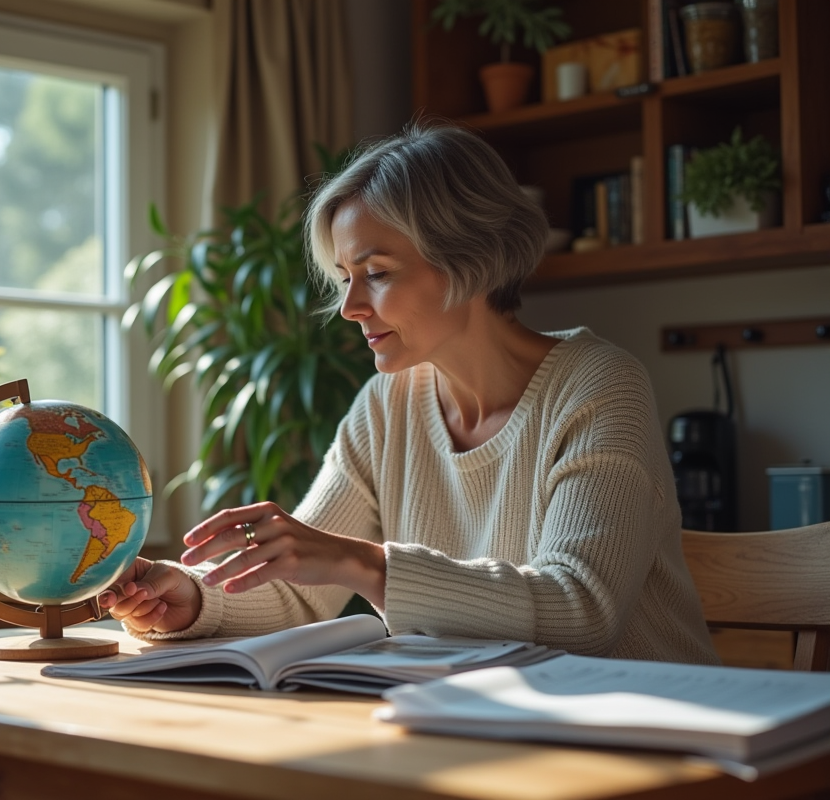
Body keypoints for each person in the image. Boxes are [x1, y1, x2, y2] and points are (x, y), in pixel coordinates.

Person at [100, 124, 719, 665]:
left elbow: (583, 611)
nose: (350, 307)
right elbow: (297, 590)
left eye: (377, 274)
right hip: (486, 728)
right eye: (345, 278)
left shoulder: (600, 385)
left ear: (470, 257)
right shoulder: (385, 406)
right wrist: (189, 599)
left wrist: (366, 564)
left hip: (660, 737)